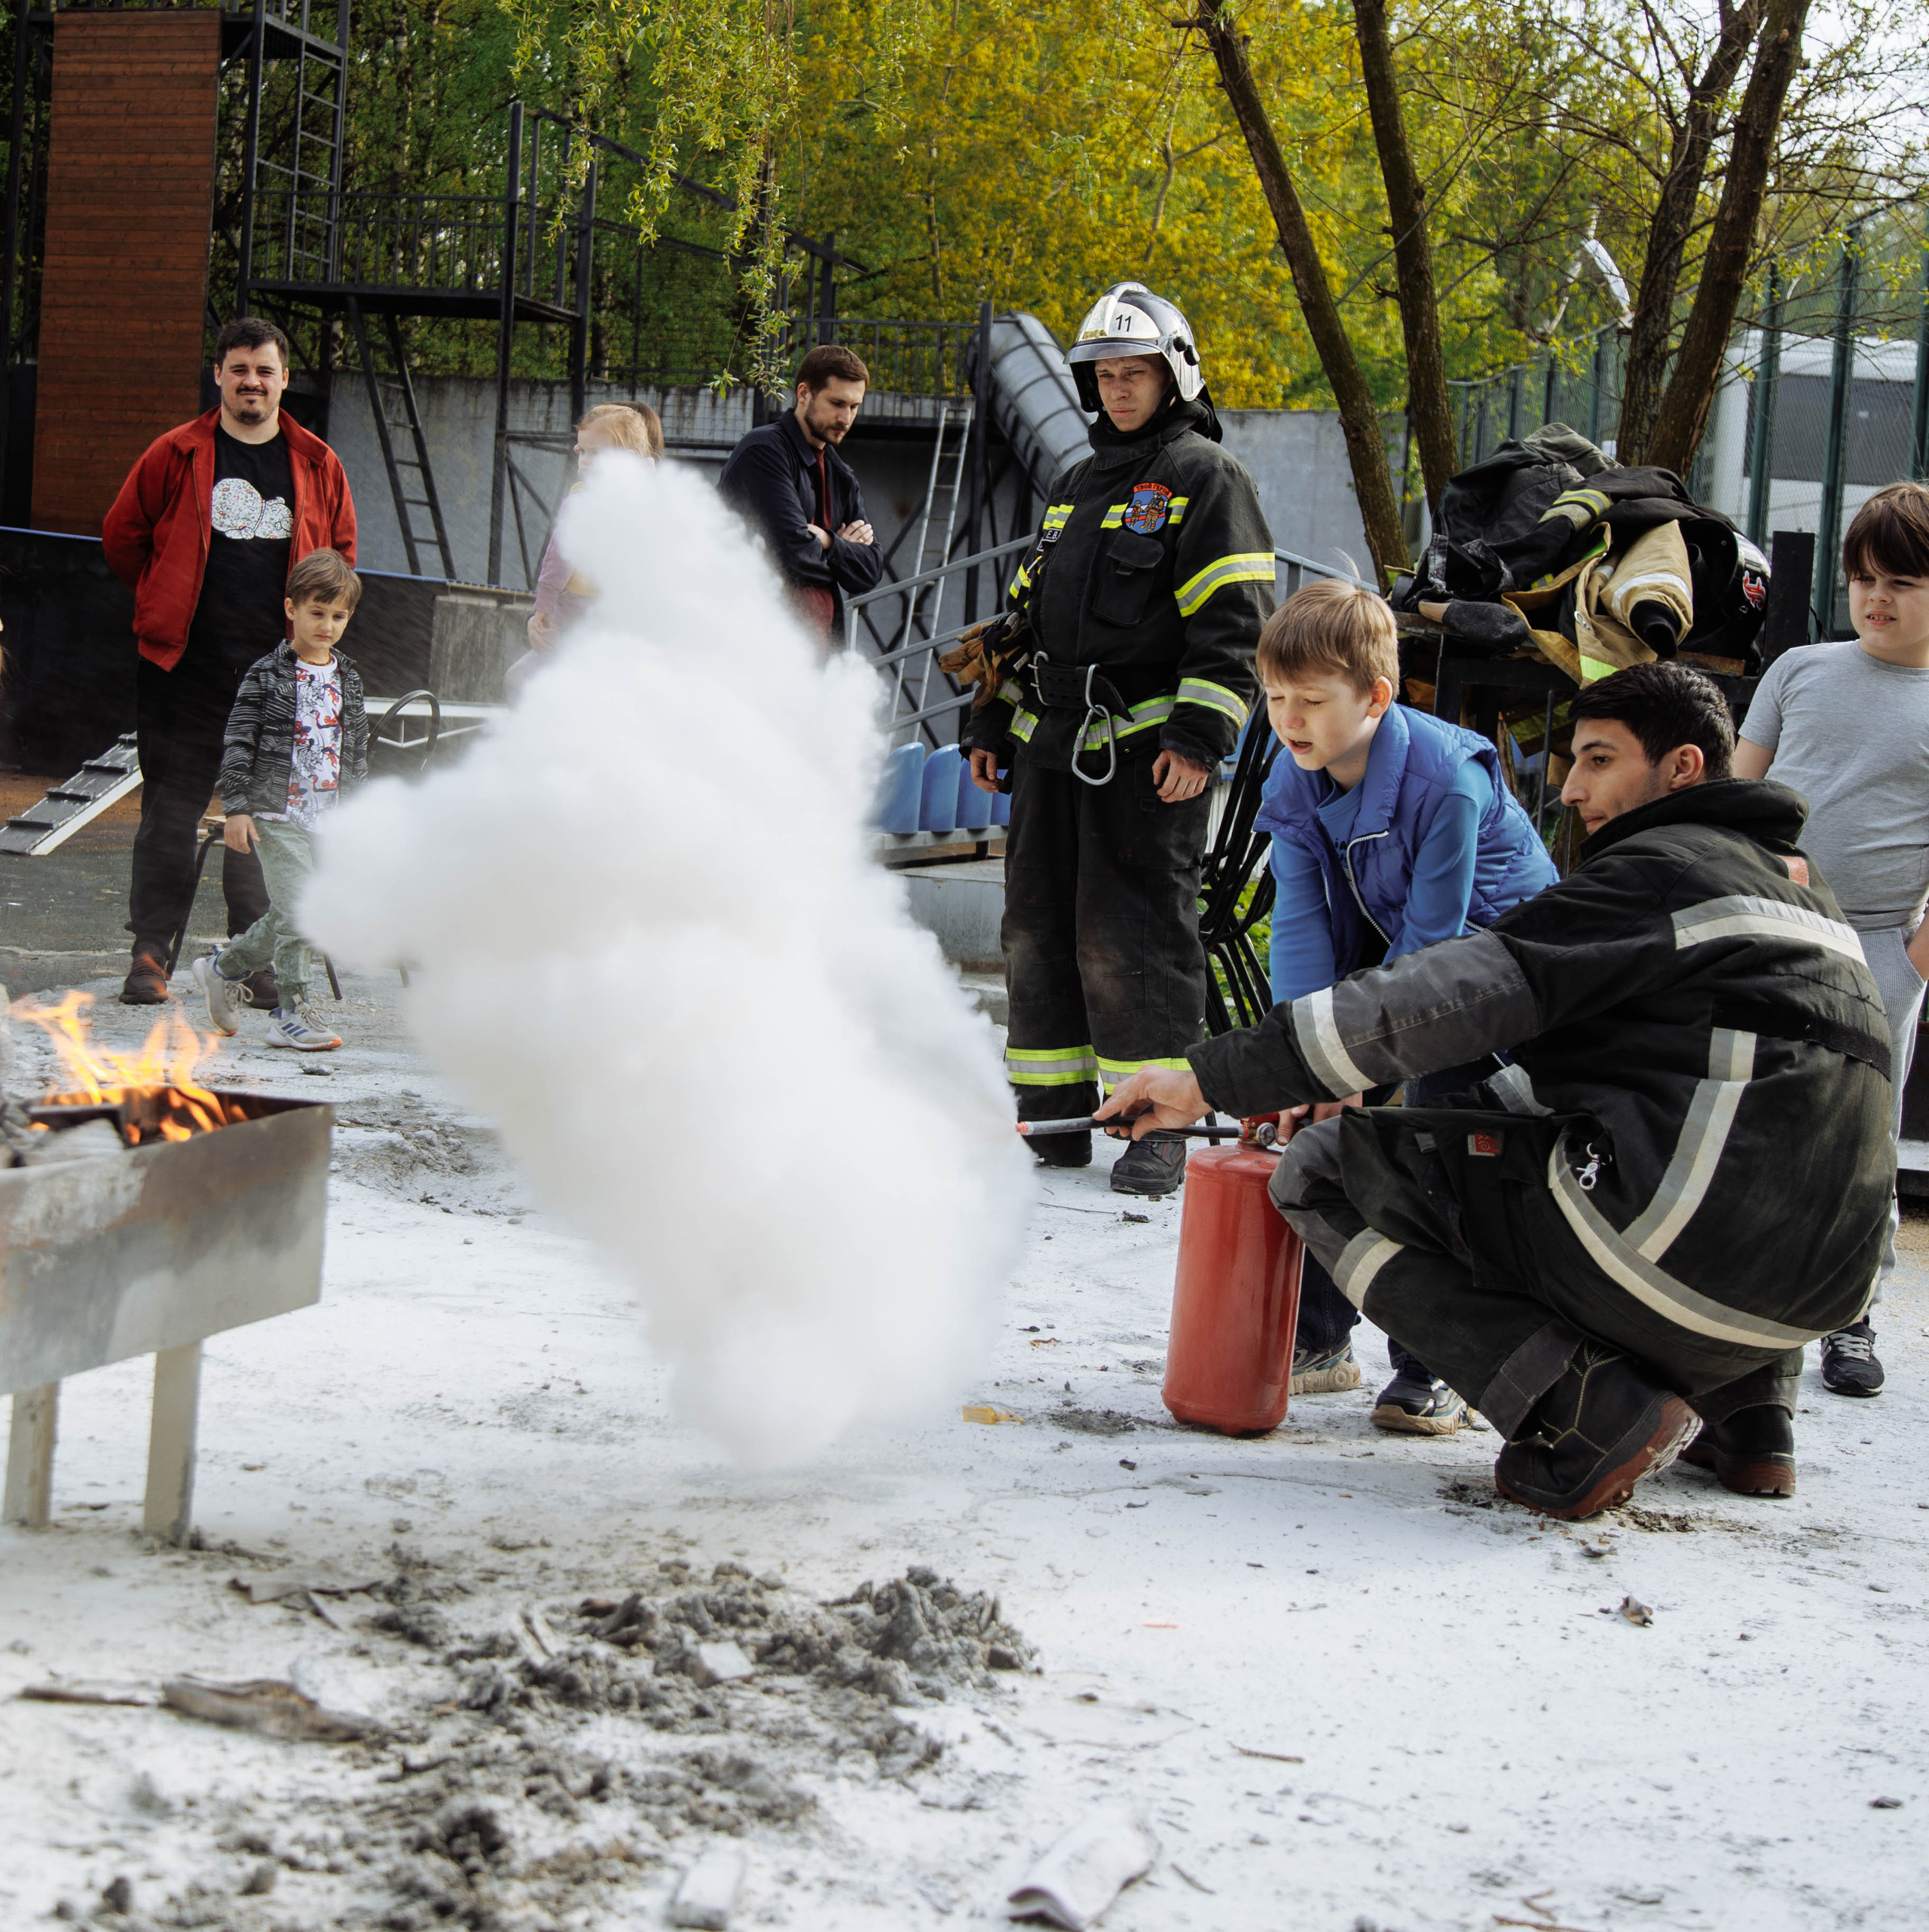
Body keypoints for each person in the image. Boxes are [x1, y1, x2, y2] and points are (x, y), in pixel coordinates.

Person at [1099, 663, 1893, 1518]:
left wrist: (1212, 1076)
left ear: (1683, 767)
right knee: (1751, 1139)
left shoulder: (1658, 872)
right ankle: (1749, 1417)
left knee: (1326, 1169)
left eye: (1599, 760)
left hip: (1673, 1254)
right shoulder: (1806, 895)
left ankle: (1576, 1403)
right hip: (1824, 1290)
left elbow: (1444, 994)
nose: (1572, 789)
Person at [961, 280, 1273, 1198]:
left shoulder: (1205, 477)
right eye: (1103, 376)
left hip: (1143, 756)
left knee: (1132, 934)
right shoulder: (1075, 485)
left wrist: (1199, 739)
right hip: (1049, 746)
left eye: (1134, 373)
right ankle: (1055, 1115)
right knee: (1037, 927)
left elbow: (1235, 622)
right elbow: (1023, 618)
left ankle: (1155, 1122)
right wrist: (990, 718)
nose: (1118, 390)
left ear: (1174, 376)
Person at [1255, 577, 1557, 1431]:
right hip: (1402, 964)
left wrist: (1359, 1057)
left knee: (1435, 1140)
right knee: (1321, 1124)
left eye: (1312, 700)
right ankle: (1321, 1339)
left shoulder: (1448, 779)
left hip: (1497, 980)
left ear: (1376, 697)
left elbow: (1436, 945)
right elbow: (1300, 921)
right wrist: (1306, 1059)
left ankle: (1439, 1362)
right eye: (1275, 697)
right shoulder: (1296, 772)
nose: (1289, 719)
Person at [1733, 481, 1929, 1400]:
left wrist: (1913, 960)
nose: (1875, 598)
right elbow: (1739, 795)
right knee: (1751, 1111)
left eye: (1901, 582)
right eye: (1862, 578)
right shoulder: (1799, 669)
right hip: (1770, 931)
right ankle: (1739, 1297)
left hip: (1879, 947)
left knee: (1861, 1137)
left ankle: (1850, 1312)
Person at [103, 316, 356, 1006]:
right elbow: (122, 536)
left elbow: (339, 561)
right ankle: (150, 954)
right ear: (218, 375)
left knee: (266, 822)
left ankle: (251, 960)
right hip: (184, 674)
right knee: (169, 813)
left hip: (278, 682)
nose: (252, 381)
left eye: (264, 370)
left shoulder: (317, 463)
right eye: (239, 369)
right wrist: (163, 598)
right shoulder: (175, 453)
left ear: (283, 380)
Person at [191, 549, 368, 1053]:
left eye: (338, 617)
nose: (327, 626)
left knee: (292, 911)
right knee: (304, 910)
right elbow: (239, 742)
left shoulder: (349, 678)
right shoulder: (266, 674)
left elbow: (356, 751)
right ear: (291, 609)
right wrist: (237, 808)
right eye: (317, 612)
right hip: (277, 812)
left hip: (327, 816)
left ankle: (223, 967)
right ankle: (291, 1013)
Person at [717, 344, 881, 640]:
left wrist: (828, 541)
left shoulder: (841, 475)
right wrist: (843, 554)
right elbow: (791, 556)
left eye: (854, 407)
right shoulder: (764, 451)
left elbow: (870, 570)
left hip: (819, 651)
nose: (846, 418)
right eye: (837, 403)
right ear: (804, 393)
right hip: (752, 643)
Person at [508, 402, 663, 700]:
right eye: (582, 452)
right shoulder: (653, 496)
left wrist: (544, 607)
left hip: (582, 613)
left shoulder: (582, 502)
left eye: (597, 453)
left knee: (521, 682)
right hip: (623, 621)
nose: (586, 461)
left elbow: (557, 559)